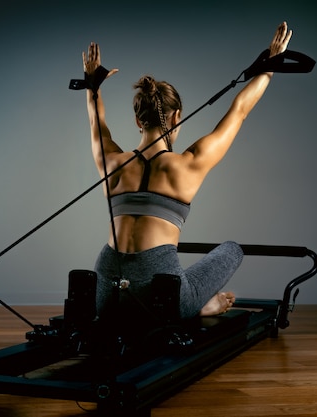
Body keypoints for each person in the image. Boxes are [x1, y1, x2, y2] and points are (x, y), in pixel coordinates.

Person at [83, 22, 293, 319]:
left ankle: (194, 300)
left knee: (166, 278)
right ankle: (199, 304)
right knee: (231, 250)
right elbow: (239, 111)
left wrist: (93, 83)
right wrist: (270, 66)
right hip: (162, 298)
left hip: (105, 295)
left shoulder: (112, 163)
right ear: (177, 116)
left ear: (137, 121)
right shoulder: (188, 164)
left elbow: (96, 123)